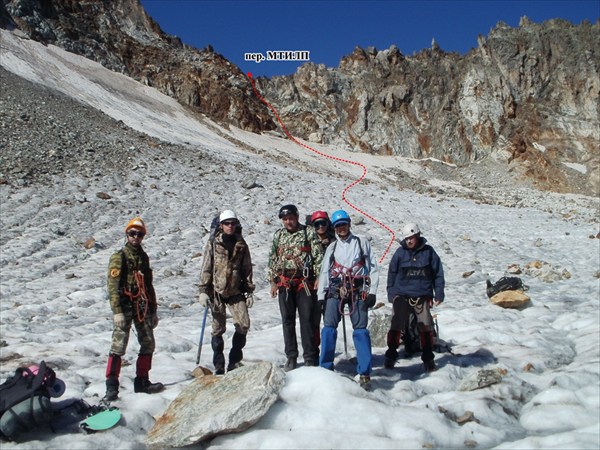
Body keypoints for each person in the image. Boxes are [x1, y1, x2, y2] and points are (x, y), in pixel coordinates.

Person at [317, 210, 379, 390]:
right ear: (334, 228)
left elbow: (373, 268)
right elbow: (325, 272)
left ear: (349, 224)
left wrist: (372, 292)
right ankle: (326, 368)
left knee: (361, 331)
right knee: (328, 329)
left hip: (358, 290)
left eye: (343, 224)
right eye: (338, 226)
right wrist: (322, 296)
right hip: (336, 290)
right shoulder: (332, 247)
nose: (341, 228)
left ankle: (365, 372)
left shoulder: (362, 243)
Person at [104, 217, 163, 401]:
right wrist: (117, 311)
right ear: (127, 234)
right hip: (125, 305)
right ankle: (112, 386)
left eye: (140, 234)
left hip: (142, 306)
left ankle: (142, 381)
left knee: (148, 343)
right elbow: (112, 285)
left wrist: (153, 311)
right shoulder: (119, 256)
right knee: (118, 345)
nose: (136, 237)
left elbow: (148, 285)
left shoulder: (143, 257)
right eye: (133, 233)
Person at [198, 210, 255, 374]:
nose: (230, 226)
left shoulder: (241, 244)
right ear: (221, 225)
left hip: (236, 291)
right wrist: (203, 290)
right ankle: (219, 363)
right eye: (227, 223)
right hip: (216, 291)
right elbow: (206, 268)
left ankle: (235, 360)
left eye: (233, 223)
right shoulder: (213, 244)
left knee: (243, 324)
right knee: (218, 328)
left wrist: (249, 291)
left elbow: (247, 268)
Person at [269, 204, 324, 371]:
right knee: (287, 321)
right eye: (285, 219)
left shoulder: (308, 232)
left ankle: (309, 357)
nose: (288, 222)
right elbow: (272, 258)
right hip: (285, 283)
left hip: (304, 283)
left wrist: (319, 278)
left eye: (290, 218)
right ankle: (291, 357)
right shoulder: (278, 235)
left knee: (307, 320)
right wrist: (273, 282)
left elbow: (318, 256)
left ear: (297, 217)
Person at [385, 222, 445, 372]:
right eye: (407, 238)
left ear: (418, 236)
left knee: (425, 326)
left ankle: (428, 358)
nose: (409, 241)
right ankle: (391, 354)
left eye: (411, 238)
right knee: (395, 325)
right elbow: (392, 273)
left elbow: (438, 273)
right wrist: (391, 293)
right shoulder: (400, 253)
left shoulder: (429, 252)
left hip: (422, 296)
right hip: (402, 295)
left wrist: (439, 292)